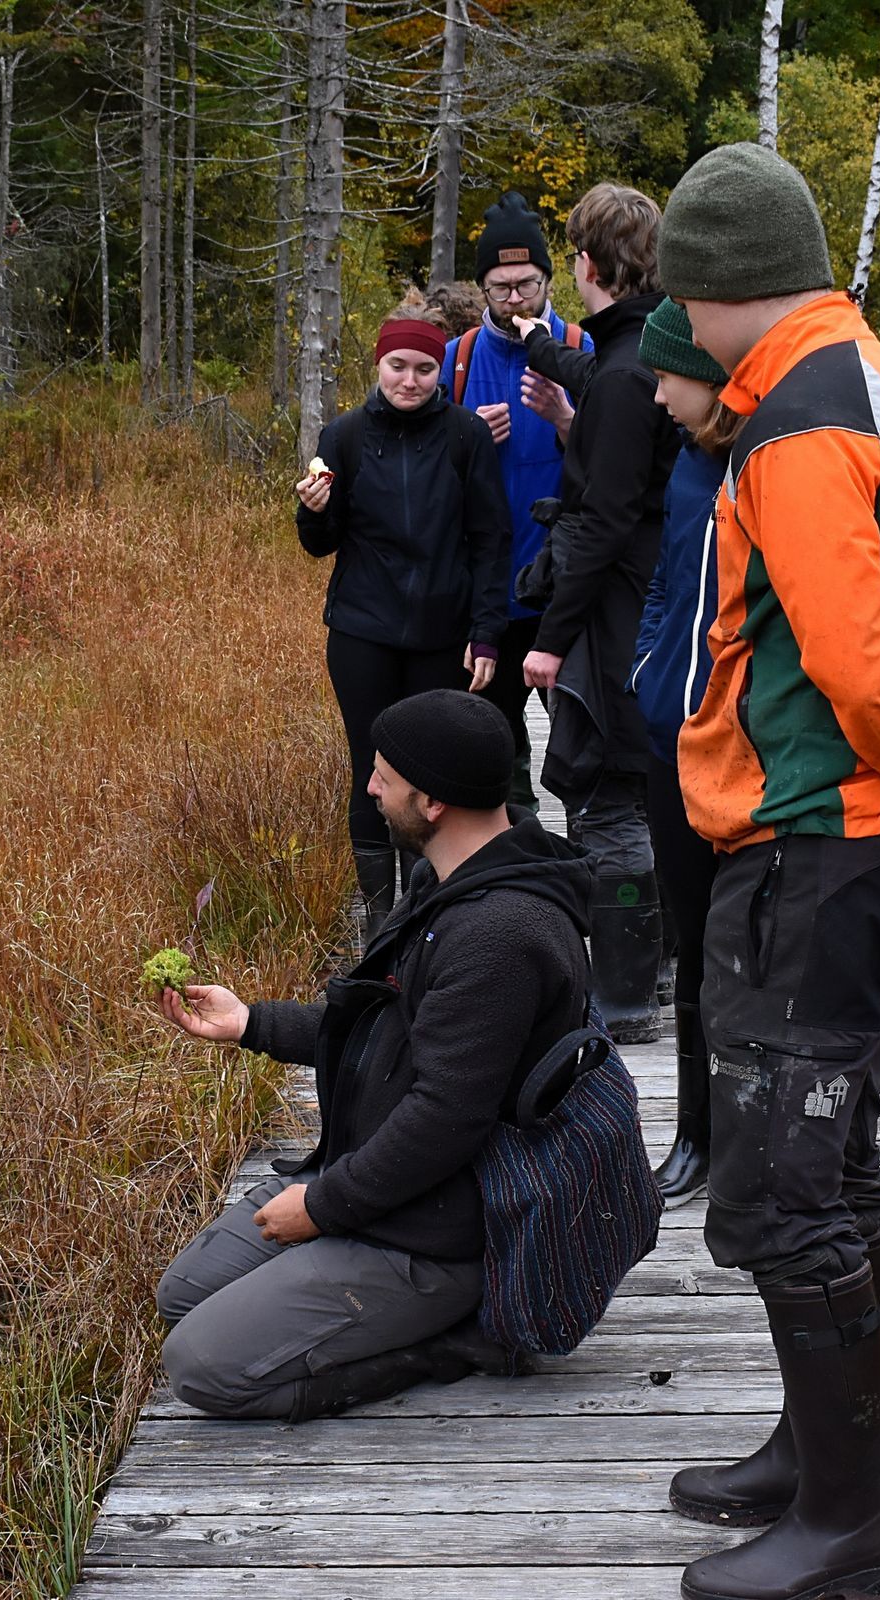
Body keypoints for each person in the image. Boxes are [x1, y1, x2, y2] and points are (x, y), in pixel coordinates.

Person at [655, 142, 880, 1600]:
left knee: (792, 1168)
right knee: (830, 1144)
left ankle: (848, 1529)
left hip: (821, 839)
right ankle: (812, 1461)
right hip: (871, 833)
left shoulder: (800, 423)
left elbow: (871, 673)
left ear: (708, 284)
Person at [152, 690, 596, 1420]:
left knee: (202, 1368)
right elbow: (383, 1032)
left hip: (442, 1231)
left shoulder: (499, 936)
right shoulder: (448, 884)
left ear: (433, 803)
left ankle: (454, 1339)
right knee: (185, 1294)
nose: (370, 787)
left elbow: (445, 1118)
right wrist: (251, 1024)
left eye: (385, 775)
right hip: (389, 1186)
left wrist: (322, 1208)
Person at [512, 182, 681, 1043]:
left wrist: (549, 642)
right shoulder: (654, 349)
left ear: (585, 263)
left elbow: (602, 520)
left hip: (619, 609)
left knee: (610, 796)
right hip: (653, 599)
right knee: (642, 793)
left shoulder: (621, 378)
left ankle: (624, 998)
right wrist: (547, 353)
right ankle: (649, 970)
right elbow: (610, 375)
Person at [298, 307, 512, 938]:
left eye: (424, 368)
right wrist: (312, 512)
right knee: (370, 765)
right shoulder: (343, 437)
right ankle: (377, 922)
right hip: (363, 630)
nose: (411, 380)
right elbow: (320, 543)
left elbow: (489, 539)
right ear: (378, 365)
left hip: (441, 632)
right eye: (398, 366)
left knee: (428, 773)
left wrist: (487, 630)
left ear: (440, 371)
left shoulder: (465, 436)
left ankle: (424, 915)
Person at [630, 297, 736, 1204]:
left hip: (743, 749)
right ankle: (695, 1134)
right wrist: (645, 671)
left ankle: (754, 1137)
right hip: (669, 736)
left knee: (751, 945)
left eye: (667, 377)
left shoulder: (774, 464)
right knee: (692, 943)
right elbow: (668, 582)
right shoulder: (690, 466)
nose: (658, 395)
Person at [442, 192, 591, 805]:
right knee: (496, 764)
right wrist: (465, 438)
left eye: (526, 285)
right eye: (499, 289)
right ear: (481, 291)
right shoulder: (458, 359)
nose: (514, 301)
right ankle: (511, 886)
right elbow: (429, 472)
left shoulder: (582, 349)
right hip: (487, 599)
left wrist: (565, 420)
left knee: (585, 759)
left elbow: (622, 463)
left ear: (549, 282)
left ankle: (598, 884)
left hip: (564, 593)